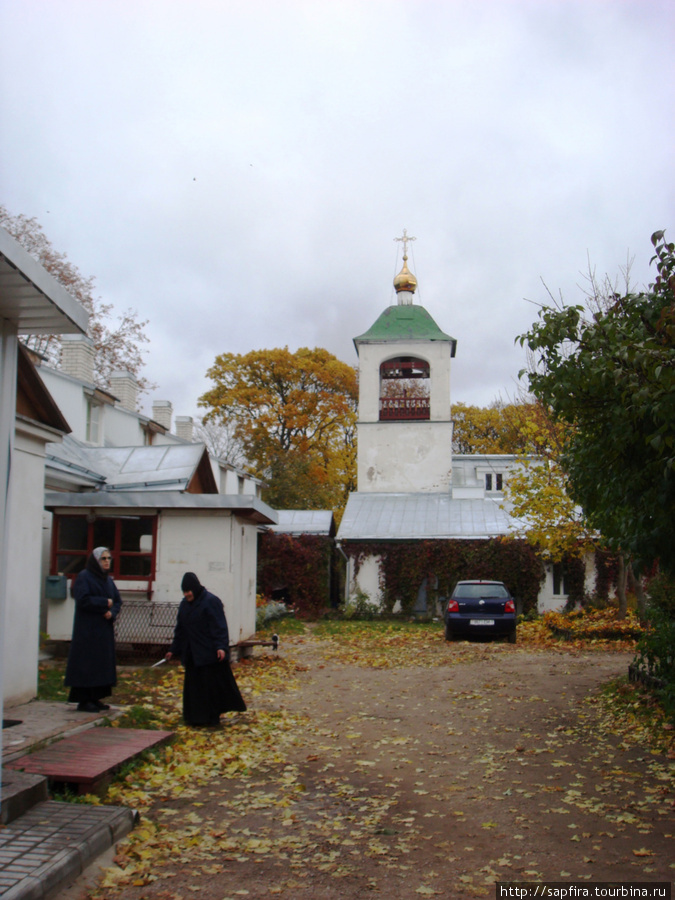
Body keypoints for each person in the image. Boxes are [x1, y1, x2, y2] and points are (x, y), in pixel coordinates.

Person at [166, 572, 246, 727]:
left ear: (195, 588)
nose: (186, 594)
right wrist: (173, 649)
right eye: (184, 591)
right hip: (192, 655)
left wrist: (221, 647)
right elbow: (180, 630)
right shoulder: (184, 605)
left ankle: (211, 718)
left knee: (209, 688)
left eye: (189, 590)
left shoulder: (211, 602)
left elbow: (219, 627)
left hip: (208, 654)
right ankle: (194, 718)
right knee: (194, 689)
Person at [64, 547, 122, 712]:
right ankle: (84, 699)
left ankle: (96, 697)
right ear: (95, 561)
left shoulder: (108, 580)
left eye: (109, 558)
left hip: (103, 630)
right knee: (87, 664)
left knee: (100, 664)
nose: (106, 561)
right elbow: (82, 599)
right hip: (88, 630)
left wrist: (112, 612)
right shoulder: (84, 577)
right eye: (103, 559)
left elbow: (117, 601)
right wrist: (104, 603)